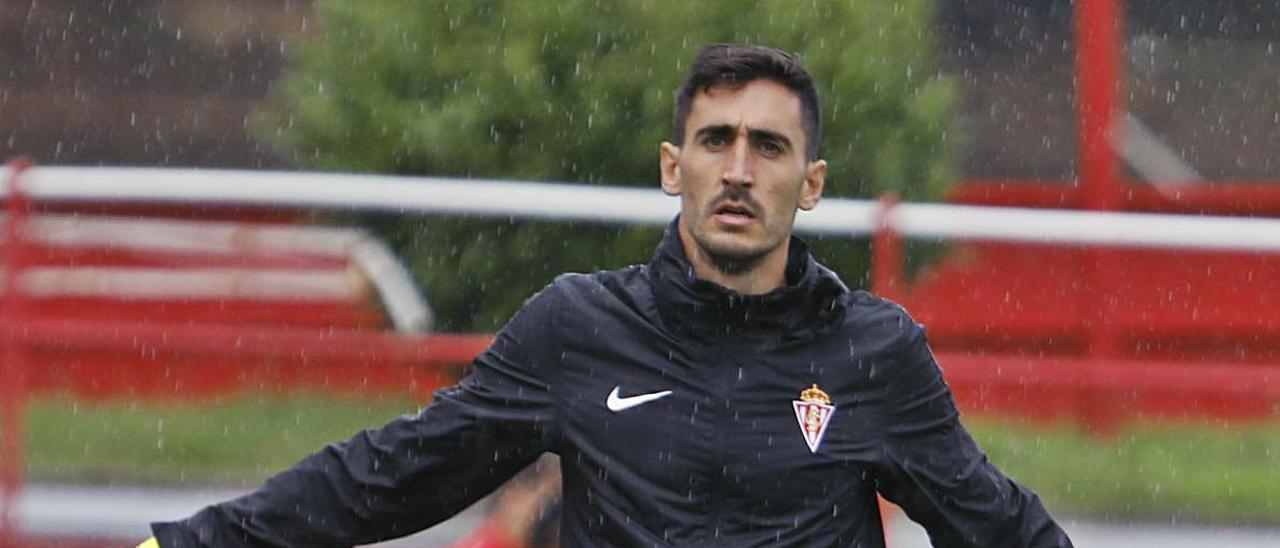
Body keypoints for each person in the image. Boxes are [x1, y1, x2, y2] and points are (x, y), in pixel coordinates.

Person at [139, 44, 1072, 547]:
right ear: (674, 166)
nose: (738, 171)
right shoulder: (578, 329)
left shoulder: (874, 353)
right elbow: (396, 473)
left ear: (813, 183)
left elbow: (998, 526)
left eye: (769, 147)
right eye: (715, 141)